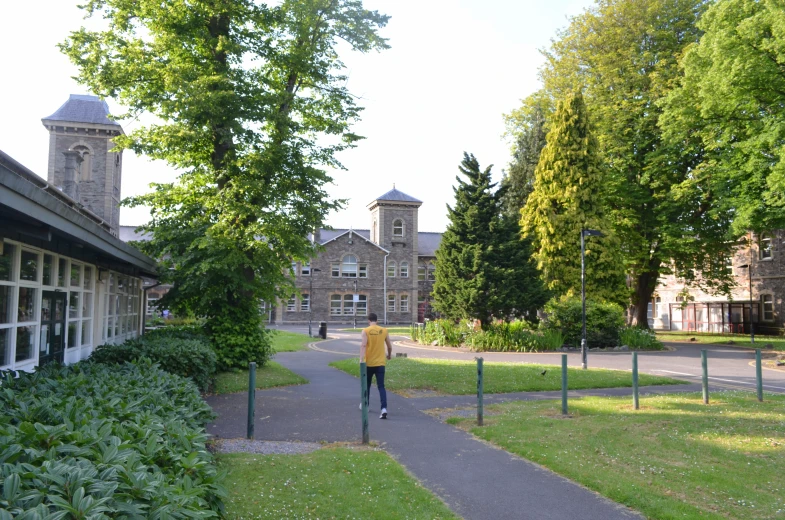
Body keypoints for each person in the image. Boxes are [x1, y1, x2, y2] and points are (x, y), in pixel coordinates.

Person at [360, 312, 392, 419]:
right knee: (381, 386)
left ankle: (366, 405)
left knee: (367, 385)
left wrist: (361, 360)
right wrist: (389, 355)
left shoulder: (365, 331)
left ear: (369, 321)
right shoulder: (384, 330)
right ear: (377, 320)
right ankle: (383, 409)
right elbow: (389, 346)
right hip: (380, 363)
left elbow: (364, 345)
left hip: (369, 363)